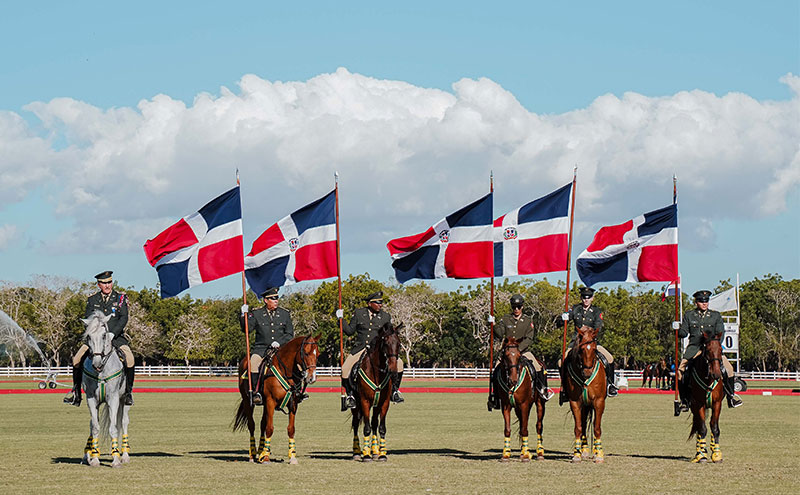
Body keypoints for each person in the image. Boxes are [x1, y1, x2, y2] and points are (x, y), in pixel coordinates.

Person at [64, 271, 135, 406]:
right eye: (104, 283)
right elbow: (88, 318)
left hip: (116, 338)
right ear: (99, 285)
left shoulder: (120, 299)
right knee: (76, 359)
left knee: (130, 359)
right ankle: (76, 394)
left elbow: (124, 318)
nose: (107, 285)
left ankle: (128, 393)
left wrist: (112, 333)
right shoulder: (92, 299)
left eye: (109, 282)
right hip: (96, 339)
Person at [676, 290, 742, 412]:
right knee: (680, 371)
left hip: (711, 349)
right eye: (701, 301)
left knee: (729, 369)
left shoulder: (715, 315)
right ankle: (684, 401)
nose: (704, 303)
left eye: (706, 301)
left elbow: (720, 333)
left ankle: (731, 397)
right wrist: (679, 330)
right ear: (696, 302)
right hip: (694, 349)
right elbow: (684, 332)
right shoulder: (689, 315)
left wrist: (714, 345)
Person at [488, 294, 554, 410]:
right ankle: (495, 397)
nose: (516, 309)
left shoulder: (528, 320)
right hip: (508, 352)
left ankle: (543, 390)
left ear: (522, 306)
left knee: (538, 367)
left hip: (523, 351)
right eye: (514, 307)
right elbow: (499, 335)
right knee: (496, 369)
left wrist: (518, 349)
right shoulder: (506, 319)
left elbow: (529, 338)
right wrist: (492, 324)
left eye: (518, 307)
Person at [341, 291, 404, 409]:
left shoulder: (386, 316)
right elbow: (349, 331)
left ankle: (394, 391)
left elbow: (389, 333)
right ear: (370, 304)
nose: (380, 305)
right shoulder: (359, 313)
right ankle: (350, 396)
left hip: (378, 350)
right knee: (345, 370)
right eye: (377, 303)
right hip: (361, 348)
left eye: (381, 303)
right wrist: (341, 319)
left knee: (399, 364)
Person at [560, 287, 619, 401]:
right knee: (561, 361)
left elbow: (598, 326)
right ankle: (565, 389)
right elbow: (561, 323)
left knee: (609, 359)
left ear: (592, 298)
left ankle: (610, 385)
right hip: (576, 343)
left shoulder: (597, 311)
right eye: (584, 297)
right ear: (581, 297)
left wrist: (587, 331)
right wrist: (563, 318)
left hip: (592, 342)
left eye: (588, 297)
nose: (586, 300)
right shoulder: (575, 309)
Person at [240, 287, 294, 406]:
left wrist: (279, 342)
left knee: (298, 363)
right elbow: (246, 330)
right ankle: (255, 393)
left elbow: (290, 334)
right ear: (265, 300)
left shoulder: (284, 314)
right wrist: (243, 316)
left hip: (280, 349)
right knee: (253, 364)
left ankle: (297, 392)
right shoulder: (257, 314)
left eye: (277, 298)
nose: (276, 300)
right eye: (272, 299)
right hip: (261, 349)